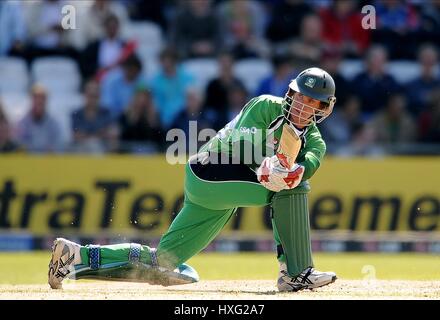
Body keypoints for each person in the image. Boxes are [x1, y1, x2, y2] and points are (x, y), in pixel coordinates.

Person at [48, 67, 338, 292]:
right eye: (301, 97)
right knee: (288, 187)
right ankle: (295, 271)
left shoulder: (314, 140)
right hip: (211, 170)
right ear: (290, 94)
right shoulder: (265, 106)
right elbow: (240, 144)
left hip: (220, 195)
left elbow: (311, 161)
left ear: (323, 109)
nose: (303, 106)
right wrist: (269, 167)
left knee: (165, 262)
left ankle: (75, 258)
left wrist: (296, 170)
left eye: (312, 102)